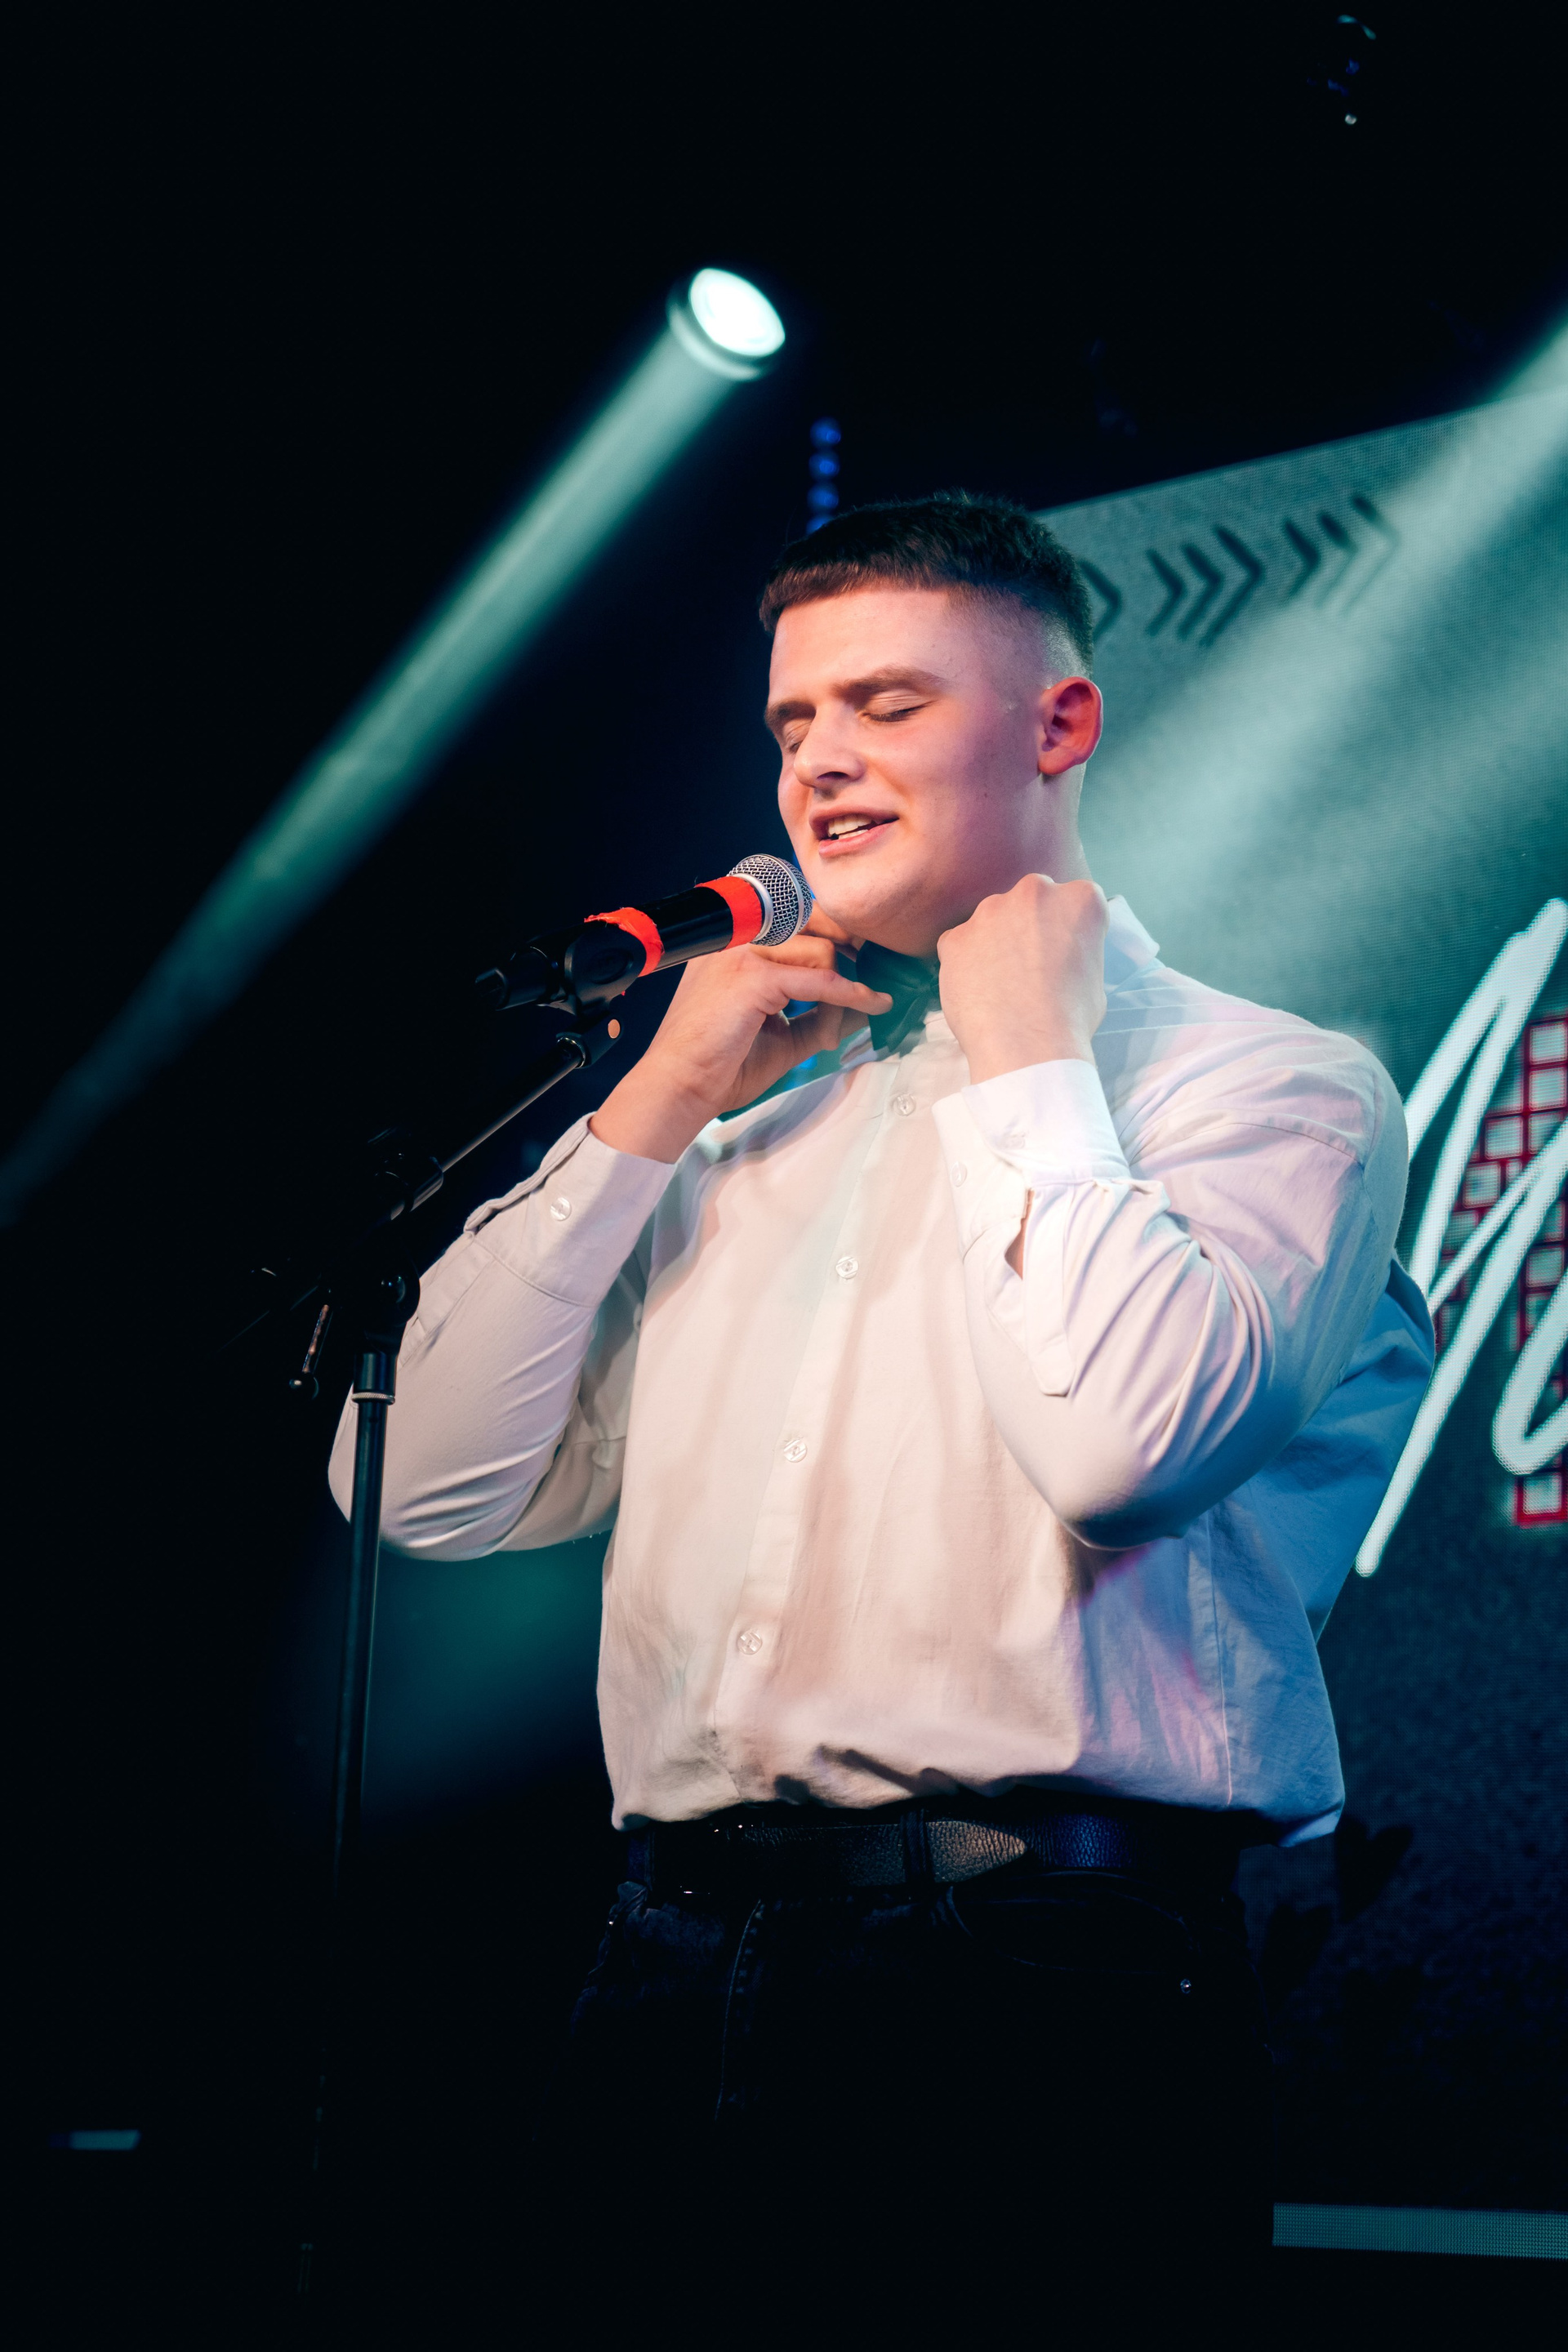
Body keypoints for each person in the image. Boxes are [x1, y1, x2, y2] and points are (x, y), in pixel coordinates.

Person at [329, 493, 1432, 2314]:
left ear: (1059, 726)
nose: (820, 762)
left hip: (1045, 1969)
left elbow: (1123, 1449)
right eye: (792, 723)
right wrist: (651, 1107)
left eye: (887, 704)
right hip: (666, 1952)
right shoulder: (736, 1139)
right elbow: (419, 1488)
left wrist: (1031, 1054)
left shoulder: (1268, 1089)